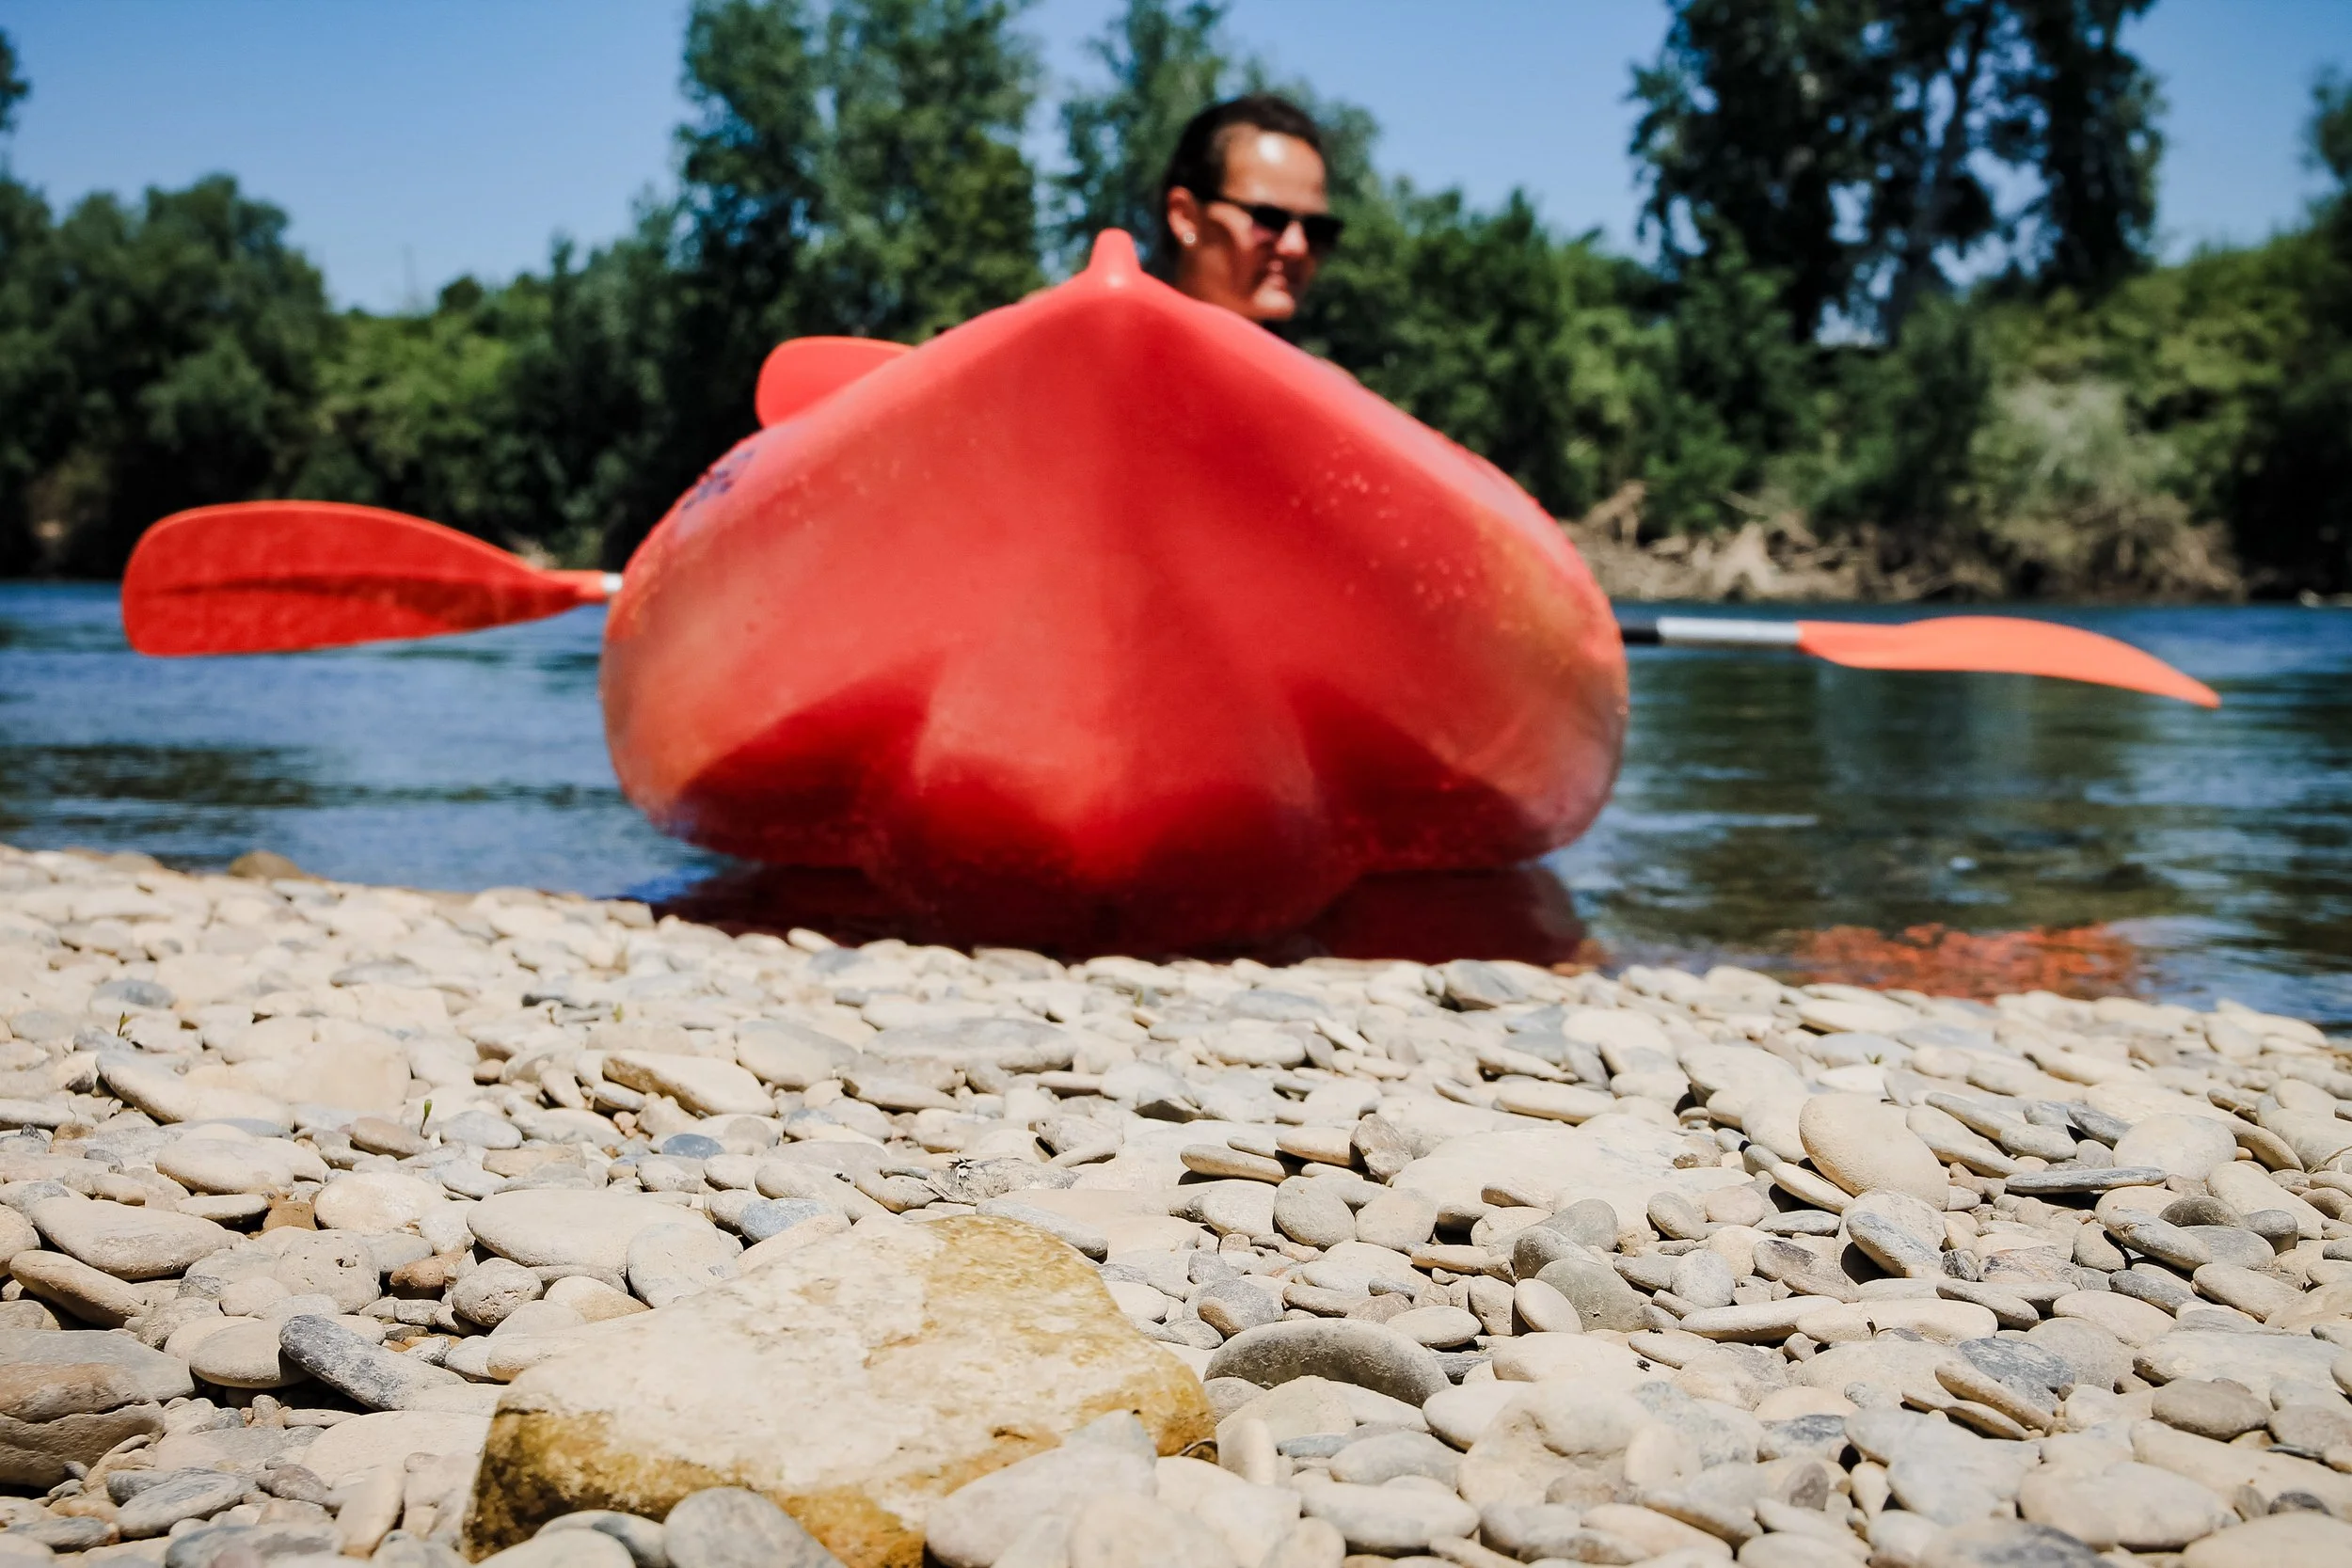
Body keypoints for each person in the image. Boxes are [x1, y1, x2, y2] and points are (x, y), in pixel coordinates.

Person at [1160, 95, 1343, 324]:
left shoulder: (1306, 361)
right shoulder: (1112, 351)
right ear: (1185, 217)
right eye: (1269, 218)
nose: (1296, 247)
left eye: (1317, 229)